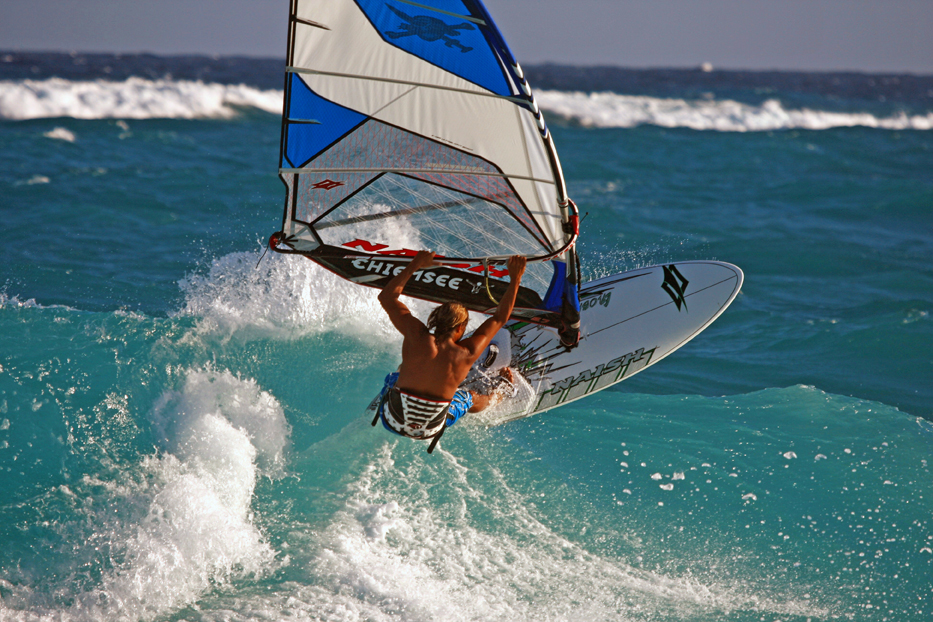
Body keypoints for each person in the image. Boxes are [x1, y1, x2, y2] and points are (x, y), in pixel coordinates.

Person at [374, 250, 526, 451]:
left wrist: (416, 264)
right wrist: (515, 278)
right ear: (460, 328)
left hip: (390, 418)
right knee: (468, 396)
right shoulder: (467, 351)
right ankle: (498, 395)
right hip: (429, 430)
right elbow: (499, 318)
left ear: (435, 320)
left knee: (401, 370)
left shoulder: (416, 336)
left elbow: (386, 297)